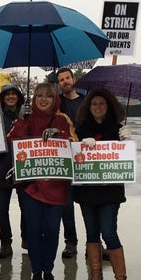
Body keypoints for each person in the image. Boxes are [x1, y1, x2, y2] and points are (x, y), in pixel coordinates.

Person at [8, 82, 77, 280]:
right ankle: (36, 273)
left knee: (52, 230)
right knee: (34, 230)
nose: (44, 99)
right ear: (33, 98)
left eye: (48, 95)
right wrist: (21, 119)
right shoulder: (26, 119)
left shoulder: (62, 119)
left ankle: (48, 271)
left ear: (54, 99)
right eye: (39, 95)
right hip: (31, 187)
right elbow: (12, 141)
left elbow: (74, 142)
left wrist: (60, 134)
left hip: (57, 187)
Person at [73, 88, 132, 280]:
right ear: (88, 107)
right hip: (86, 190)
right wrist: (79, 144)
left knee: (108, 232)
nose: (98, 107)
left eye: (102, 103)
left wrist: (126, 142)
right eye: (94, 103)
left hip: (110, 190)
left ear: (109, 107)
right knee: (91, 233)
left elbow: (126, 159)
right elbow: (72, 155)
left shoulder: (118, 129)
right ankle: (95, 275)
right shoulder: (80, 129)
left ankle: (120, 278)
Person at [0, 84, 25, 259]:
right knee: (2, 209)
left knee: (26, 207)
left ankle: (26, 237)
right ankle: (5, 242)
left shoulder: (26, 117)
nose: (11, 97)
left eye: (14, 94)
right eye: (8, 94)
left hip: (23, 168)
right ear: (3, 98)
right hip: (2, 166)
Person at [56, 67, 82, 259]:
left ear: (73, 79)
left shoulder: (85, 101)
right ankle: (70, 242)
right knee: (67, 204)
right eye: (61, 80)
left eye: (67, 78)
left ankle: (95, 242)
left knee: (91, 203)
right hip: (64, 157)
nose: (65, 81)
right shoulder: (56, 103)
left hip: (85, 157)